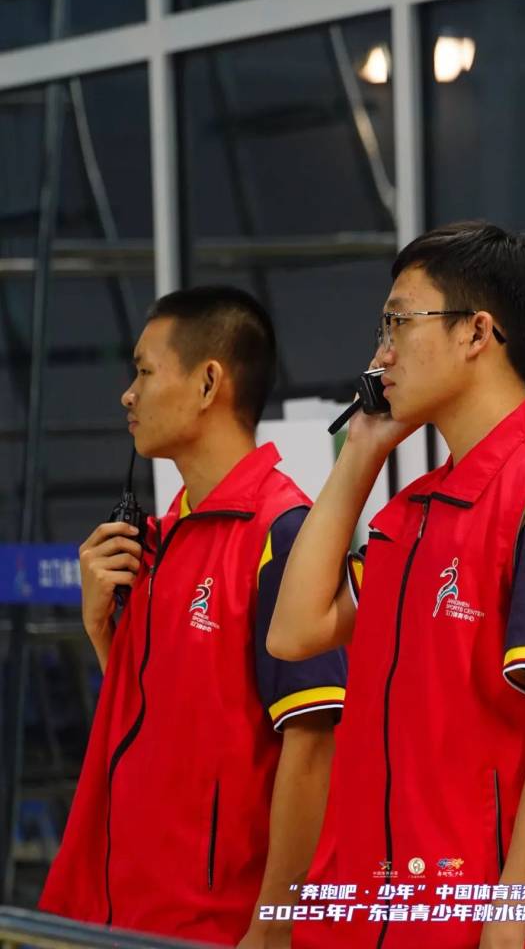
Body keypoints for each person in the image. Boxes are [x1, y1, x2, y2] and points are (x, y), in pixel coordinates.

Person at [268, 222, 525, 949]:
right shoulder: (417, 513)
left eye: (399, 322)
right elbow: (295, 632)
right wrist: (361, 452)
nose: (381, 353)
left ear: (476, 333)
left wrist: (505, 926)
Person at [39, 286, 347, 949]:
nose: (128, 394)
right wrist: (103, 633)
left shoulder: (284, 534)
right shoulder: (160, 538)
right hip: (123, 917)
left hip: (218, 927)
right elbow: (164, 728)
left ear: (209, 383)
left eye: (145, 372)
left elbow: (313, 744)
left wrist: (272, 927)